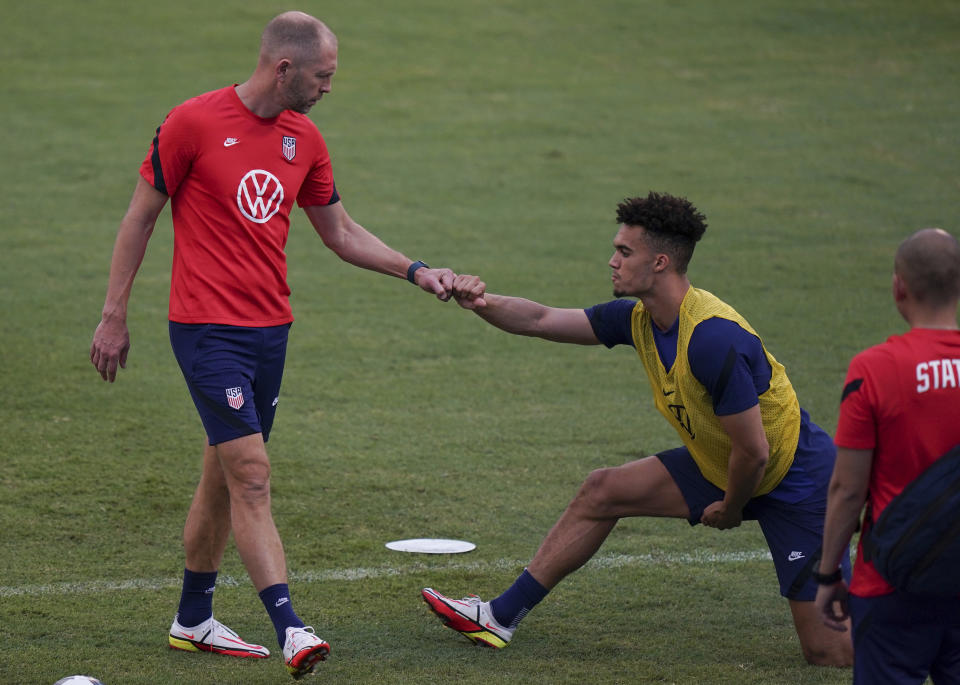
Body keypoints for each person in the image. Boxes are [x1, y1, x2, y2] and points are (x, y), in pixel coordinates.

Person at [89, 11, 455, 680]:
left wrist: (415, 269)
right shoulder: (191, 123)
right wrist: (113, 314)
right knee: (252, 474)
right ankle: (290, 627)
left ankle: (193, 618)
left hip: (270, 333)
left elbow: (340, 232)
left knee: (223, 474)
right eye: (323, 76)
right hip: (205, 329)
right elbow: (140, 217)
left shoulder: (305, 139)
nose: (328, 88)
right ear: (283, 68)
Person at [422, 191, 853, 666]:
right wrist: (481, 301)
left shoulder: (712, 339)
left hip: (796, 479)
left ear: (661, 262)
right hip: (723, 460)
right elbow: (541, 320)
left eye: (624, 252)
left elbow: (754, 452)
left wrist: (731, 509)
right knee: (603, 491)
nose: (612, 261)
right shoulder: (639, 319)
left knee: (829, 651)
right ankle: (498, 617)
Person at [815, 228, 960, 683]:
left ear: (899, 286)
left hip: (893, 581)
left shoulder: (874, 368)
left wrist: (826, 576)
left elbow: (847, 487)